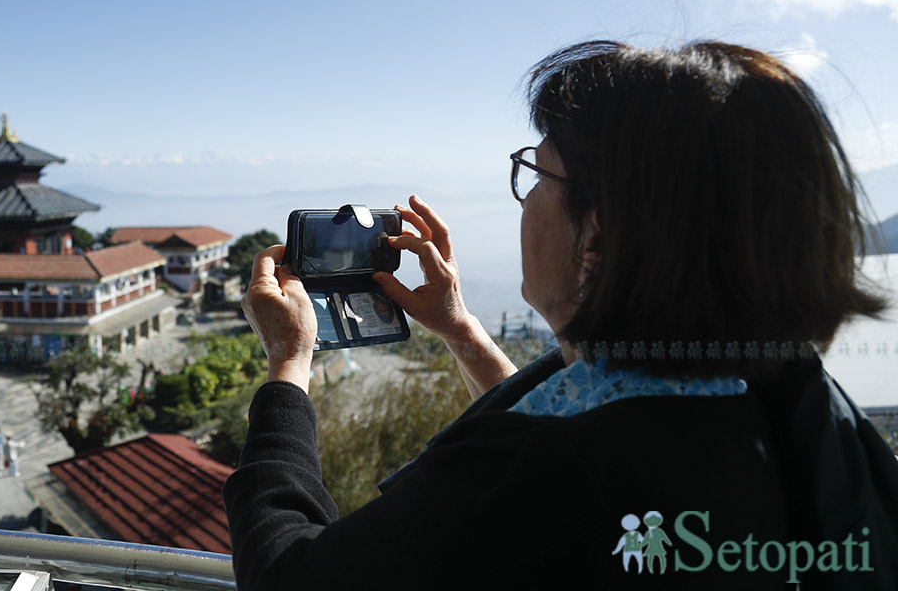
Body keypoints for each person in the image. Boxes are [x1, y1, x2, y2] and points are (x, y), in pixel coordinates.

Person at [223, 41, 898, 590]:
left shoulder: (550, 477)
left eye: (538, 174)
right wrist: (460, 329)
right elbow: (586, 418)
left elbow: (290, 574)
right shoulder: (785, 398)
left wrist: (288, 365)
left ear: (596, 238)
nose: (525, 200)